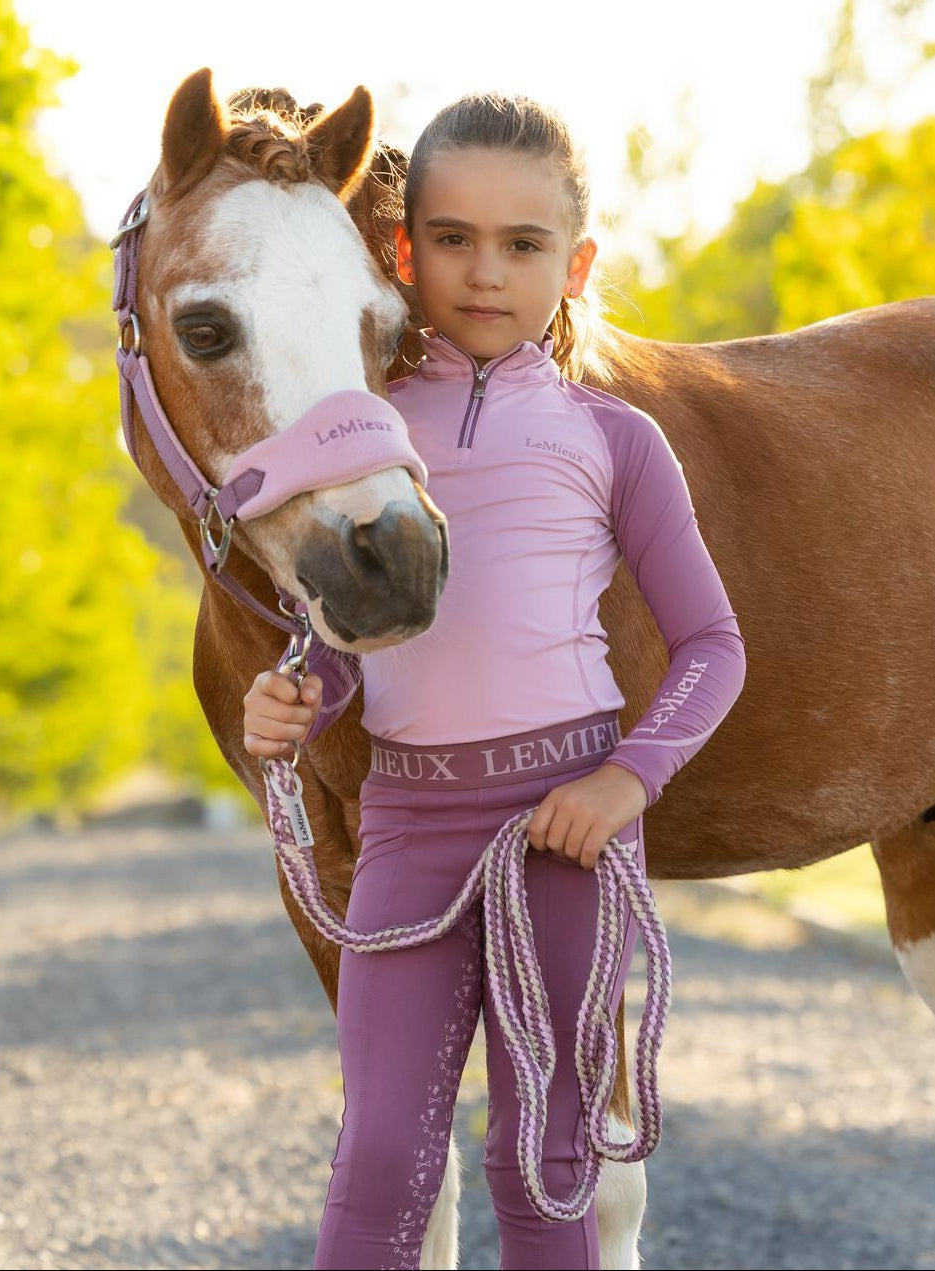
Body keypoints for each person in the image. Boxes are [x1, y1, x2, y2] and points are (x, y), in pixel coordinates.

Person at [242, 90, 746, 1271]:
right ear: (402, 251)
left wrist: (627, 780)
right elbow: (345, 637)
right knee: (378, 1155)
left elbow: (713, 643)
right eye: (452, 239)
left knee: (547, 1158)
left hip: (565, 830)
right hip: (410, 825)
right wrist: (297, 695)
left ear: (576, 265)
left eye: (523, 244)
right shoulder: (359, 437)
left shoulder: (615, 439)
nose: (484, 272)